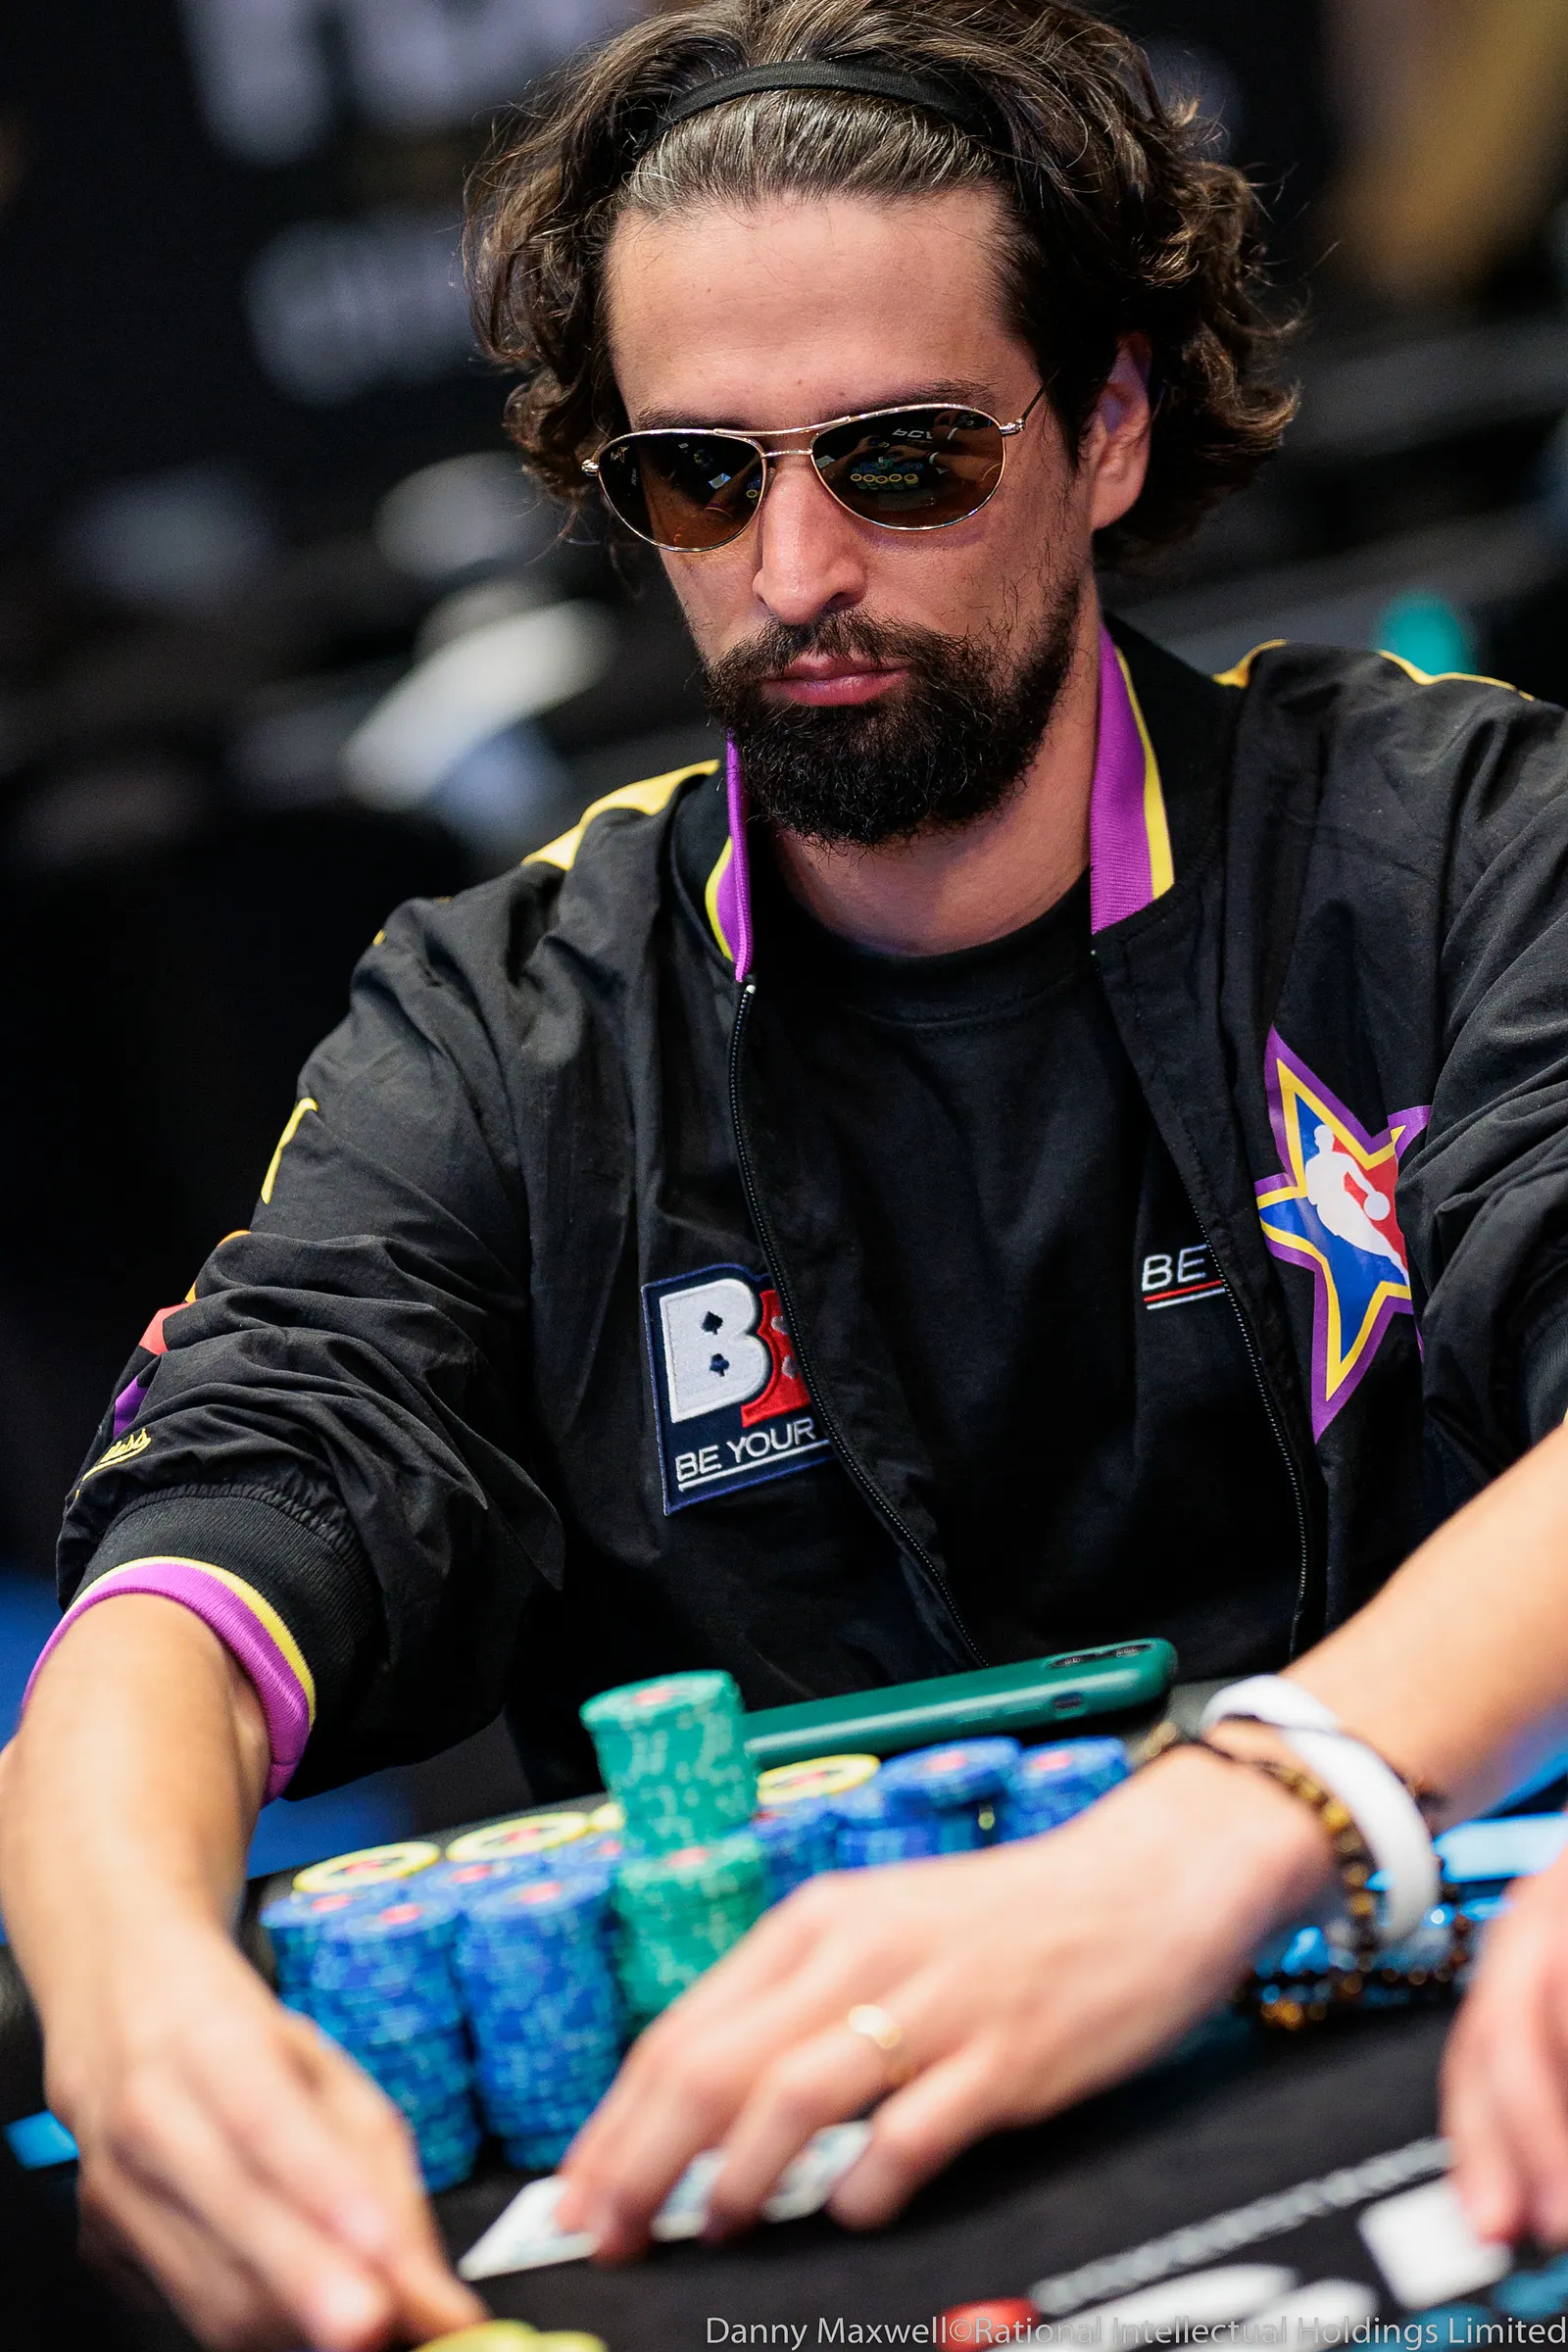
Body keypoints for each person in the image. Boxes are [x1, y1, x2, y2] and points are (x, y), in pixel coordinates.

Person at [7, 1, 1568, 2343]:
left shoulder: (1445, 845)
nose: (796, 565)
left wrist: (1243, 1821)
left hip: (1443, 2060)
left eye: (903, 458)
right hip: (797, 2216)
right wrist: (132, 1998)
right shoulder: (509, 1021)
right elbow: (211, 1543)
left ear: (1107, 428)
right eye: (699, 479)